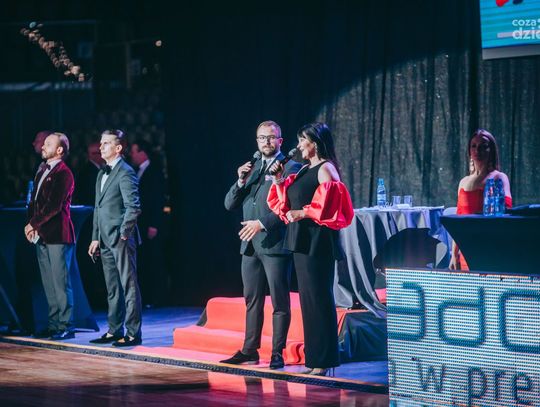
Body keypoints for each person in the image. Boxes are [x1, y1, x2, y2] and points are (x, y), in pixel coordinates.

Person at [267, 122, 354, 376]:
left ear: (314, 143)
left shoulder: (326, 168)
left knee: (319, 299)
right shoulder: (306, 169)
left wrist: (302, 213)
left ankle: (325, 360)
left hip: (318, 242)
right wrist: (278, 179)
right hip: (301, 241)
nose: (298, 146)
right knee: (308, 301)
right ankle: (315, 359)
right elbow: (286, 202)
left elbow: (330, 206)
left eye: (301, 140)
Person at [221, 120, 302, 369]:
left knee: (279, 301)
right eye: (262, 138)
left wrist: (262, 223)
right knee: (252, 300)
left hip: (275, 243)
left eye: (271, 137)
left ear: (280, 140)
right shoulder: (252, 167)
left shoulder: (291, 167)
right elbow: (229, 204)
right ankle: (249, 350)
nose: (266, 142)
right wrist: (240, 181)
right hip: (250, 246)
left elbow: (288, 207)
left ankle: (277, 352)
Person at [88, 129, 143, 347]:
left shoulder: (125, 172)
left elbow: (133, 207)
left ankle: (133, 332)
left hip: (121, 238)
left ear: (118, 148)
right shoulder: (101, 173)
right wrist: (95, 237)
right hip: (104, 238)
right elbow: (98, 208)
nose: (100, 147)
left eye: (106, 143)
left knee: (128, 285)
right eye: (101, 143)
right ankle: (114, 329)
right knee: (112, 287)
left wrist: (123, 233)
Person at [25, 132, 76, 340]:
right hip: (42, 234)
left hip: (58, 234)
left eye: (48, 144)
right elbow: (34, 202)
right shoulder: (42, 170)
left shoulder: (64, 173)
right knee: (48, 282)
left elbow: (54, 206)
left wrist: (33, 223)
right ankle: (54, 324)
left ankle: (66, 325)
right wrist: (31, 225)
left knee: (60, 282)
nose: (43, 146)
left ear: (59, 150)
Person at [449, 129, 512, 270]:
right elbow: (458, 221)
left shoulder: (499, 177)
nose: (478, 150)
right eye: (474, 146)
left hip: (490, 249)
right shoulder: (463, 182)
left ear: (491, 150)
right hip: (466, 250)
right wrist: (454, 254)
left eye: (483, 146)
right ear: (469, 151)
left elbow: (506, 215)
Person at [129, 139, 166, 307]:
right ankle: (147, 297)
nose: (132, 155)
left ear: (143, 153)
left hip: (150, 224)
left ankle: (156, 297)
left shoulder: (154, 171)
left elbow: (158, 200)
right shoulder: (138, 171)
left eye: (134, 151)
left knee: (154, 259)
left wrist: (154, 224)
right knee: (144, 259)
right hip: (140, 224)